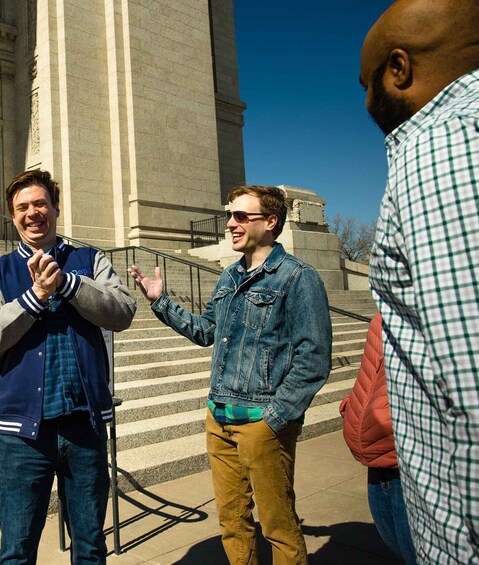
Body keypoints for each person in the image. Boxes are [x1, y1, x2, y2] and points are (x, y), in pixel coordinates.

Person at [129, 185, 332, 565]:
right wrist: (160, 301)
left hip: (263, 424)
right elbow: (206, 330)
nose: (231, 224)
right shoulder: (228, 278)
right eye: (229, 215)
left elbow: (315, 356)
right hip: (219, 418)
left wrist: (274, 417)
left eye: (241, 216)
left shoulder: (297, 278)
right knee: (233, 524)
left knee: (279, 527)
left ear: (270, 222)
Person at [0, 169, 137, 564]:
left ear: (55, 208)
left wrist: (68, 285)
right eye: (22, 207)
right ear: (13, 217)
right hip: (24, 437)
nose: (33, 213)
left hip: (84, 427)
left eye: (40, 203)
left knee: (91, 547)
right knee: (17, 550)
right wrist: (35, 296)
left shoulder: (90, 260)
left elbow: (123, 311)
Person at [360, 1, 479, 561]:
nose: (365, 103)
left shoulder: (440, 147)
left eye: (369, 83)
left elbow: (472, 382)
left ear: (399, 69)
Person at [339, 313, 416, 564]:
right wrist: (354, 407)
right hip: (377, 459)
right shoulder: (389, 299)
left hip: (411, 461)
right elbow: (375, 368)